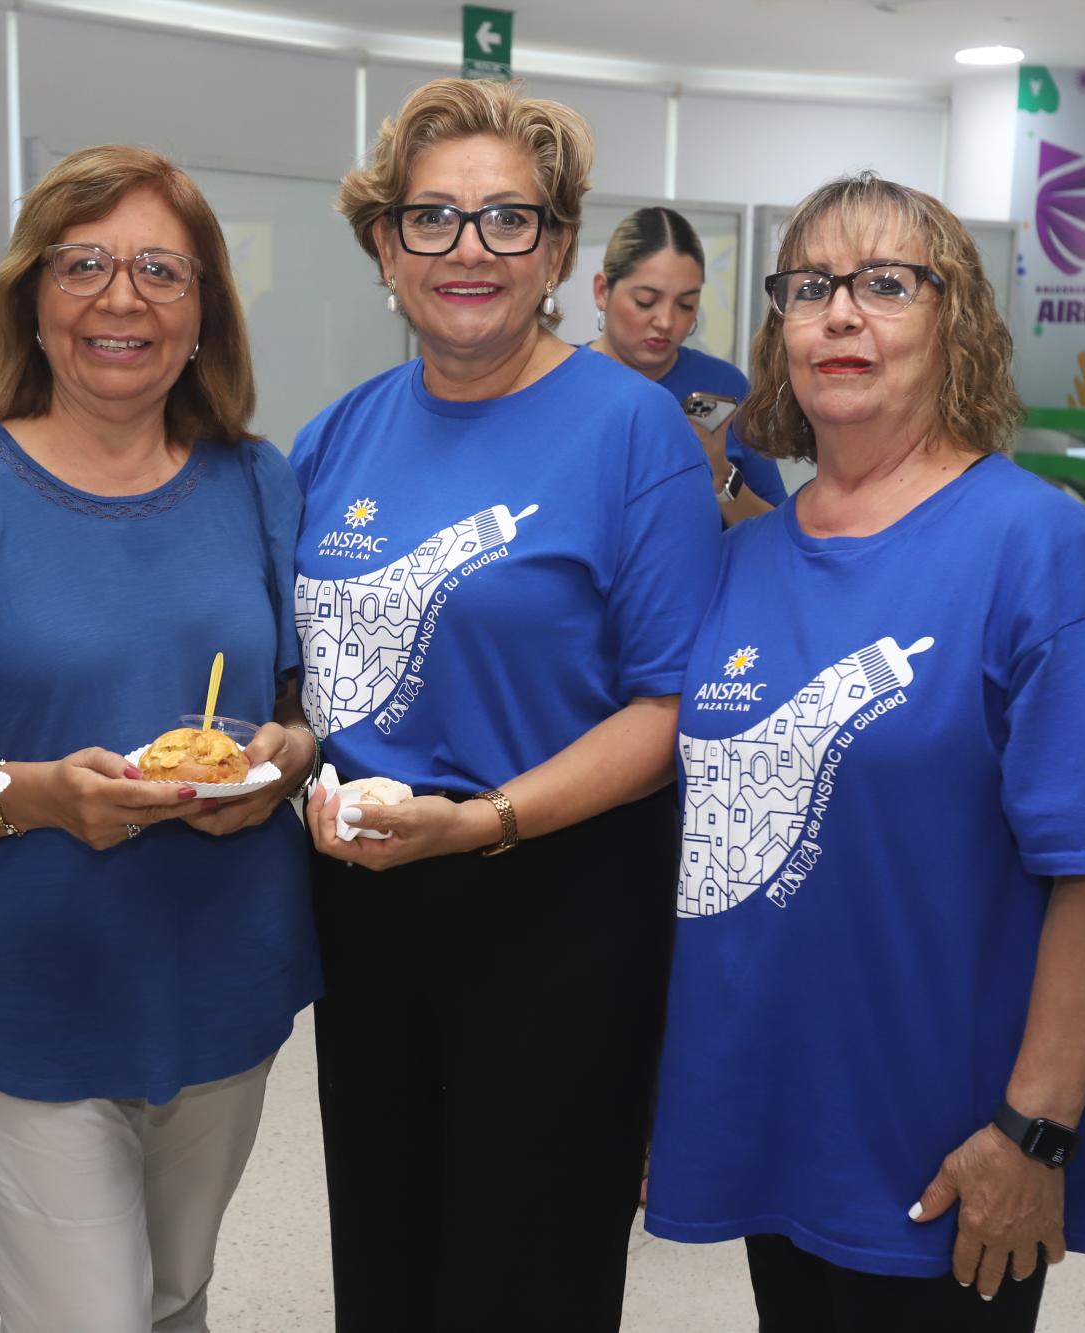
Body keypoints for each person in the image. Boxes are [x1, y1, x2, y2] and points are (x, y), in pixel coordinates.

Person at [644, 172, 1085, 1332]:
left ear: (954, 320)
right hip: (772, 1125)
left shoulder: (1038, 551)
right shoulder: (743, 559)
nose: (837, 314)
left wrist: (1032, 1131)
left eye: (884, 284)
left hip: (948, 1147)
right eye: (808, 287)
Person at [0, 144, 320, 1333]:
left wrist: (285, 761)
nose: (122, 298)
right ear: (30, 297)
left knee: (173, 1298)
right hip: (34, 987)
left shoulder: (257, 482)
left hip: (225, 969)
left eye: (161, 268)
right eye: (85, 264)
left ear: (205, 307)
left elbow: (296, 707)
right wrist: (43, 795)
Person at [292, 78, 721, 1330]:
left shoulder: (633, 433)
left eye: (507, 220)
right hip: (364, 905)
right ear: (384, 247)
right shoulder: (331, 440)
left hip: (558, 904)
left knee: (525, 1276)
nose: (467, 249)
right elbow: (291, 666)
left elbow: (666, 704)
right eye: (430, 218)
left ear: (558, 252)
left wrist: (483, 823)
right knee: (383, 1252)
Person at [586, 206, 788, 526]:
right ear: (602, 291)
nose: (666, 321)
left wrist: (719, 474)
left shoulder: (723, 386)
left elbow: (777, 533)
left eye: (686, 305)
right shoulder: (562, 383)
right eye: (645, 301)